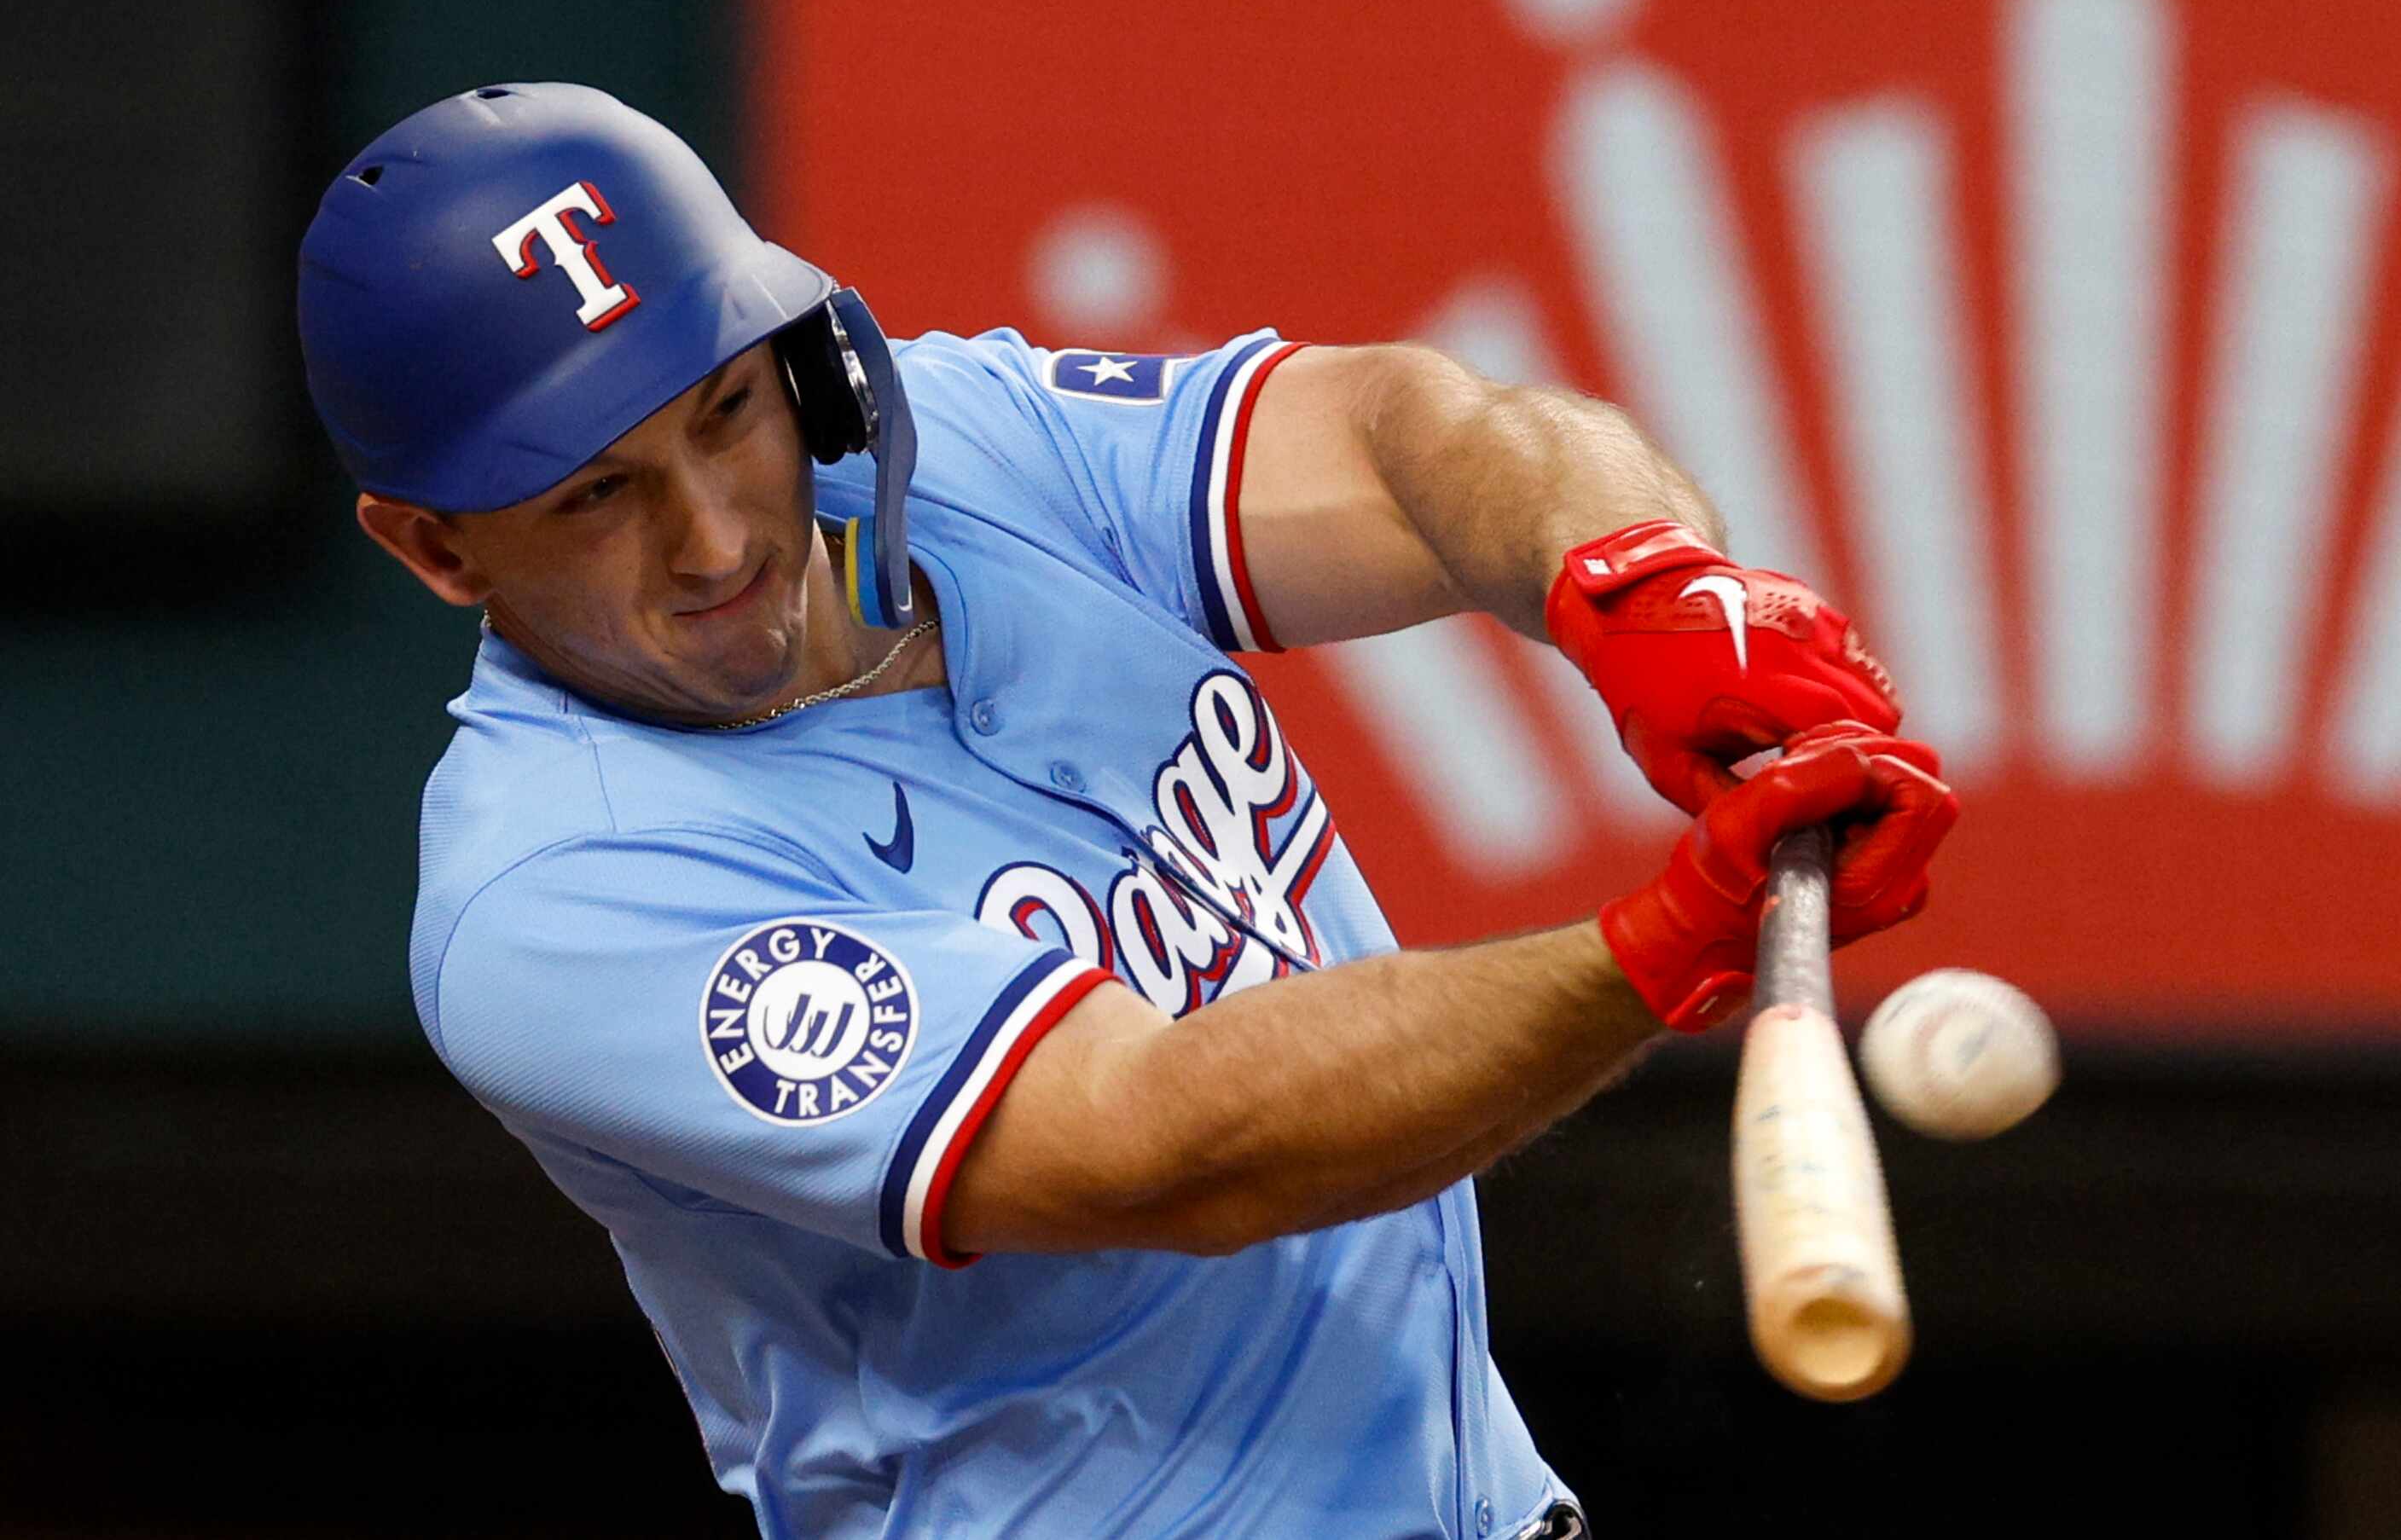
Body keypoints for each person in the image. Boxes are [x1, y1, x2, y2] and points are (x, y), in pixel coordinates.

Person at [299, 83, 1955, 1539]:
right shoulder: (553, 895)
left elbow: (1394, 444)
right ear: (437, 549)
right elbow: (1166, 1144)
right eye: (597, 493)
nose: (722, 537)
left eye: (726, 411)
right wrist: (1663, 943)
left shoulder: (958, 453)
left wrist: (1633, 581)